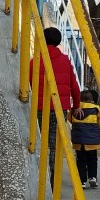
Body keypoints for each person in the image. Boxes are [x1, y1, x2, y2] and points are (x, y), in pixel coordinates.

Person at [35, 27, 82, 185]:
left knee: (39, 141)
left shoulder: (35, 60)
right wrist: (76, 106)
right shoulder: (65, 61)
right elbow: (74, 86)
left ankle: (40, 175)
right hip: (59, 108)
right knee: (55, 143)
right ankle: (53, 176)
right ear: (59, 41)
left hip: (39, 108)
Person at [71, 88, 100, 188]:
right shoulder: (96, 110)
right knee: (92, 159)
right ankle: (92, 177)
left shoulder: (75, 109)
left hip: (78, 142)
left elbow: (70, 119)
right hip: (92, 142)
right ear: (92, 100)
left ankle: (82, 181)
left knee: (80, 160)